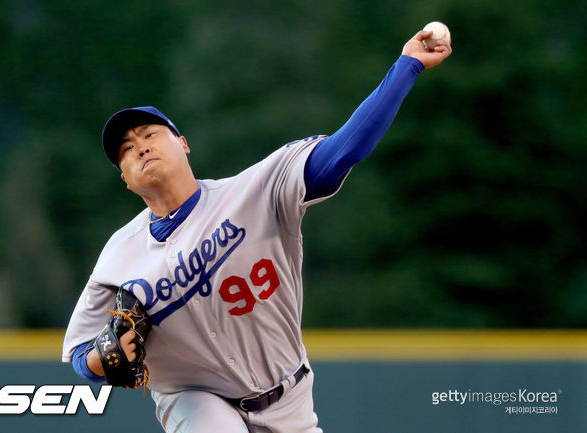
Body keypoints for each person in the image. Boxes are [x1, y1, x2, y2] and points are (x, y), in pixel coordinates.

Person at [62, 29, 451, 432]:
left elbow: (345, 150)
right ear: (125, 179)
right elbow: (78, 351)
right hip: (193, 399)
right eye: (126, 149)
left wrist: (407, 66)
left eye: (149, 135)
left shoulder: (257, 191)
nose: (139, 147)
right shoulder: (118, 255)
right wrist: (95, 361)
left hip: (291, 398)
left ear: (183, 143)